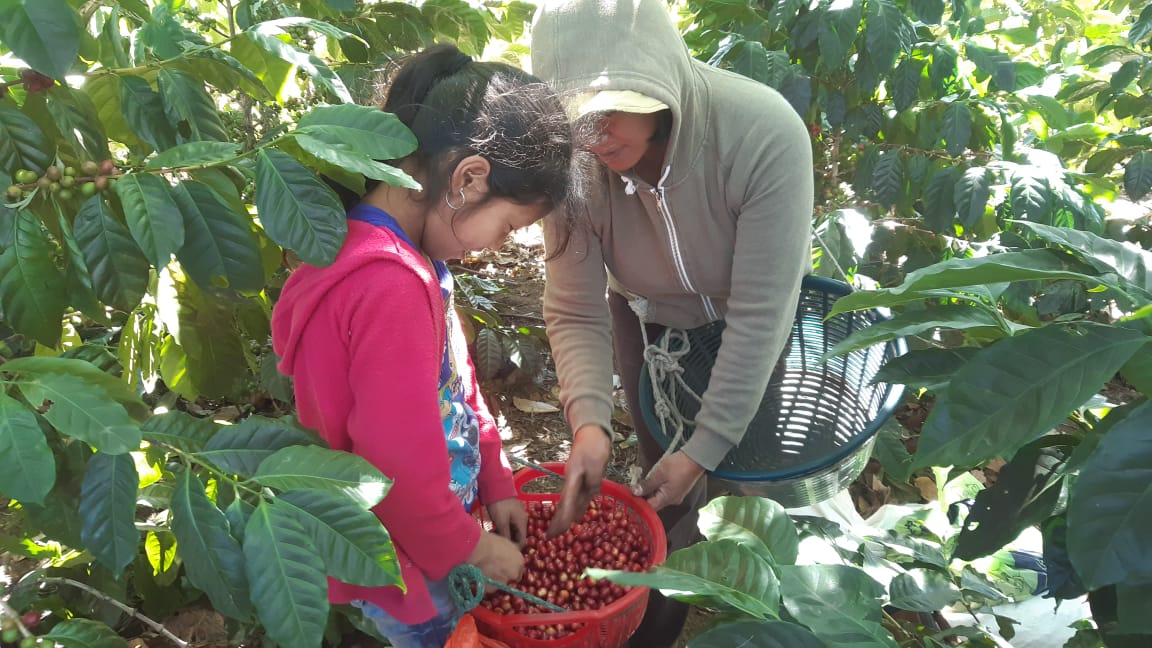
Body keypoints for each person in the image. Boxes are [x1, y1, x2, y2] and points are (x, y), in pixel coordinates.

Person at [271, 44, 585, 648]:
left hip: (422, 539)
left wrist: (494, 478)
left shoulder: (408, 257)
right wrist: (468, 546)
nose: (498, 245)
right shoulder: (387, 286)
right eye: (511, 227)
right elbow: (396, 466)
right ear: (468, 178)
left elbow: (454, 378)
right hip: (402, 561)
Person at [530, 0, 815, 644]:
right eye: (576, 122)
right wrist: (589, 425)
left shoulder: (761, 132)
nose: (593, 139)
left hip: (749, 330)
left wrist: (708, 444)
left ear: (660, 85)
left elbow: (760, 313)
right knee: (668, 482)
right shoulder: (578, 164)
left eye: (609, 112)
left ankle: (759, 610)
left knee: (738, 488)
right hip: (649, 324)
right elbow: (575, 304)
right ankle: (659, 617)